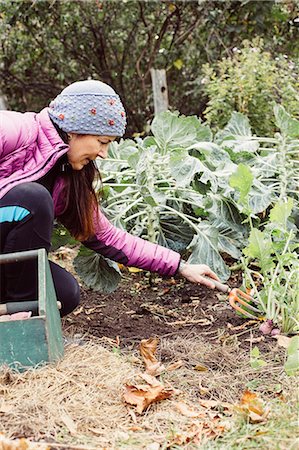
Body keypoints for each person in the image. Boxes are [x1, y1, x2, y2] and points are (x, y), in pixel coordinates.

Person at [0, 80, 220, 316]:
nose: (103, 154)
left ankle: (13, 312)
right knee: (33, 200)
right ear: (73, 129)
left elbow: (107, 236)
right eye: (102, 142)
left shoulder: (68, 177)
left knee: (64, 294)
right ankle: (17, 321)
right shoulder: (15, 130)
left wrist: (180, 266)